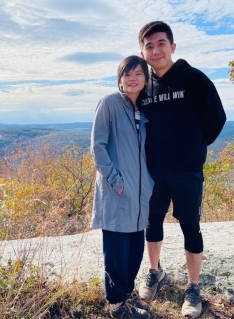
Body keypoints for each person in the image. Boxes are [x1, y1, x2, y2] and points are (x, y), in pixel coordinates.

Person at [137, 21, 226, 318]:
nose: (155, 49)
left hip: (187, 172)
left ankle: (193, 287)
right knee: (152, 222)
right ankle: (154, 272)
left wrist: (194, 148)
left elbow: (216, 119)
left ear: (172, 47)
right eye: (149, 45)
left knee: (190, 225)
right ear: (142, 52)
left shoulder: (194, 79)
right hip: (153, 171)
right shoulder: (144, 86)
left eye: (161, 43)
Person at [91, 55, 153, 319]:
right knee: (116, 254)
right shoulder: (109, 104)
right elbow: (98, 147)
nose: (132, 78)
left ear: (145, 79)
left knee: (134, 253)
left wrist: (149, 184)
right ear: (120, 79)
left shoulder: (144, 109)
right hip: (117, 193)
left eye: (138, 73)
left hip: (139, 197)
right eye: (127, 74)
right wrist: (116, 181)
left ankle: (126, 300)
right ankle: (117, 306)